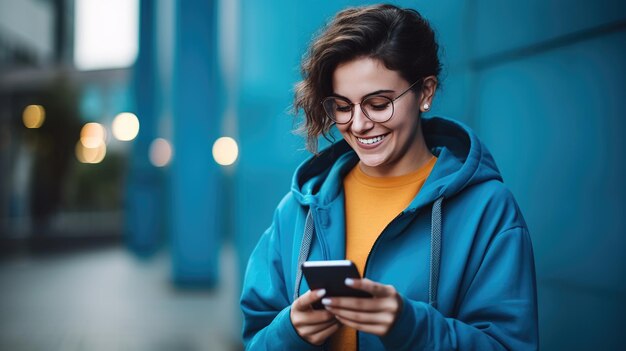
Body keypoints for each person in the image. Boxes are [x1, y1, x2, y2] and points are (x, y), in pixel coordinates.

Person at [240, 4, 538, 350]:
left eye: (379, 103)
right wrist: (289, 332)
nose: (359, 124)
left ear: (425, 92)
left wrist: (412, 326)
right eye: (342, 106)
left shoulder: (488, 211)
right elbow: (256, 339)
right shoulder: (298, 210)